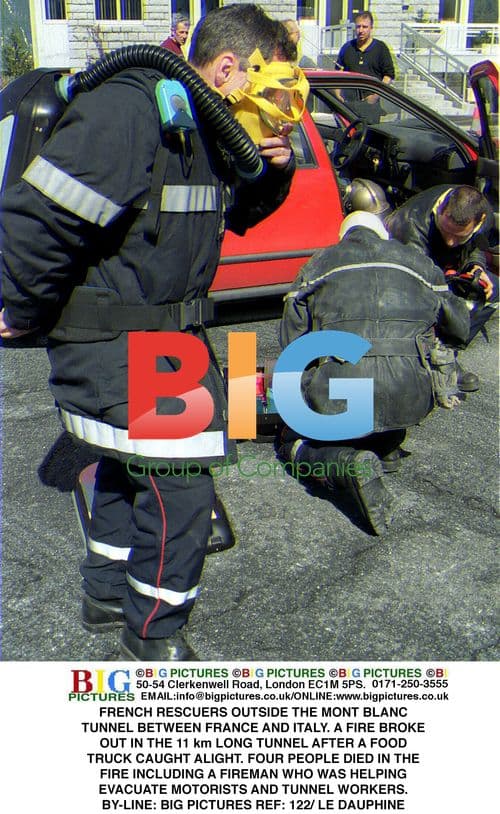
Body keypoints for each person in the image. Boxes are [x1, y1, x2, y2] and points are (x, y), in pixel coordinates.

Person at [0, 4, 297, 661]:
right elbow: (36, 220)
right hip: (121, 341)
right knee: (184, 490)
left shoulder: (199, 123)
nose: (281, 106)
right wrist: (20, 310)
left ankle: (107, 593)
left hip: (160, 342)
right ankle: (153, 632)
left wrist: (273, 167)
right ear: (228, 70)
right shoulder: (134, 110)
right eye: (275, 88)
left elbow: (237, 215)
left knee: (128, 468)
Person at [278, 211, 470, 536]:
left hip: (344, 398)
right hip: (411, 398)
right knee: (385, 400)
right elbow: (460, 326)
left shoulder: (319, 263)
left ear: (344, 236)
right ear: (382, 233)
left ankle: (344, 463)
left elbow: (292, 345)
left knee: (290, 443)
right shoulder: (418, 262)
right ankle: (385, 446)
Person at [386, 184, 497, 391]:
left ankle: (446, 351)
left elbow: (476, 247)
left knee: (488, 291)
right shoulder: (411, 225)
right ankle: (424, 354)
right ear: (439, 211)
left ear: (479, 222)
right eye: (445, 231)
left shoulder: (485, 215)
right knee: (440, 306)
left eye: (459, 236)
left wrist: (476, 268)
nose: (450, 241)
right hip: (402, 278)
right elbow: (417, 285)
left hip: (442, 269)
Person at [335, 11, 395, 123]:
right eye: (358, 27)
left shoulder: (380, 48)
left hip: (370, 107)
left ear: (371, 28)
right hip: (349, 105)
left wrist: (375, 96)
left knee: (369, 139)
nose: (361, 30)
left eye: (365, 27)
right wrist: (338, 96)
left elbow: (388, 76)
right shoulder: (347, 48)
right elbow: (338, 72)